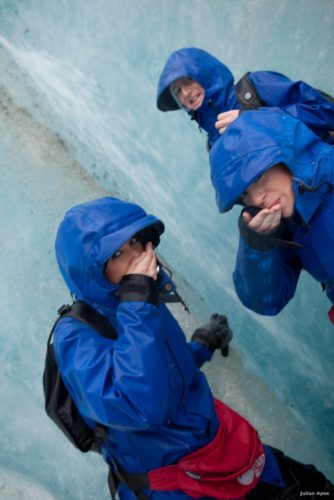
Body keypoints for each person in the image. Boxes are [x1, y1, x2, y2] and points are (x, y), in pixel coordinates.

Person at [53, 196, 332, 499]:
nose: (136, 256)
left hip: (218, 450)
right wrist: (138, 303)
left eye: (136, 242)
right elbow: (142, 406)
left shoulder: (140, 300)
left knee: (314, 487)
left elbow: (165, 371)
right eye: (118, 253)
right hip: (175, 486)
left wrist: (201, 345)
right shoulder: (76, 337)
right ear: (90, 271)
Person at [209, 109, 334, 323]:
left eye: (257, 177)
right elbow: (267, 302)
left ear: (284, 156)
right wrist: (257, 245)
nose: (257, 199)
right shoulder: (290, 228)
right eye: (244, 194)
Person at [156, 47, 334, 149]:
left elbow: (326, 112)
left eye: (188, 81)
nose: (186, 93)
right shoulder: (214, 145)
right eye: (178, 92)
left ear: (206, 74)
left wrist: (255, 118)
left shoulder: (256, 86)